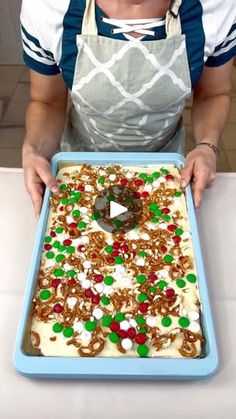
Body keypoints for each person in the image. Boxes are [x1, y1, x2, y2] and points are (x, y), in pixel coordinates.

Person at [20, 0, 236, 216]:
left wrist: (207, 146)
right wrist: (34, 150)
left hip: (166, 172)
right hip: (81, 168)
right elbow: (47, 102)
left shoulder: (216, 7)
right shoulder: (47, 8)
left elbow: (212, 94)